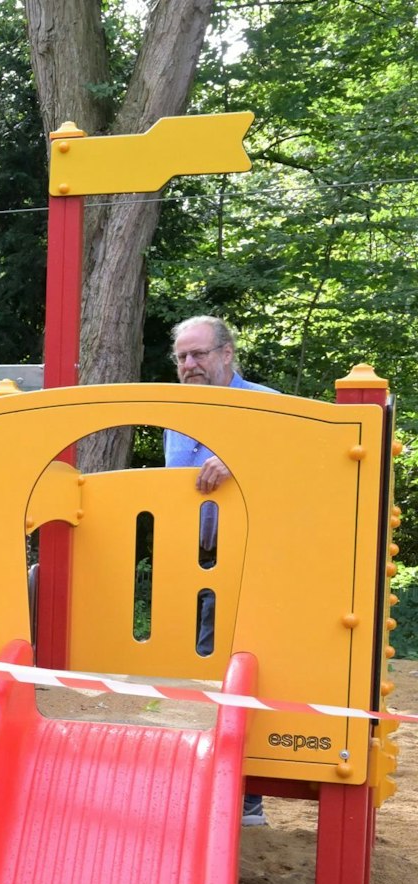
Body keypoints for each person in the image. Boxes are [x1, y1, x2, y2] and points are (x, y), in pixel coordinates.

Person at [166, 314, 277, 828]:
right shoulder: (176, 413)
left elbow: (299, 468)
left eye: (199, 354)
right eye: (182, 356)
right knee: (197, 670)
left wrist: (241, 465)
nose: (189, 364)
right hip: (193, 561)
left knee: (247, 668)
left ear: (228, 354)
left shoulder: (266, 405)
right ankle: (201, 779)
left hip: (254, 560)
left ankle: (248, 792)